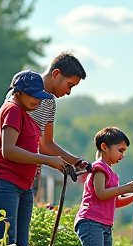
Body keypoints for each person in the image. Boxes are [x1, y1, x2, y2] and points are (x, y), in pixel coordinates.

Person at [0, 71, 71, 246]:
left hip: (23, 184)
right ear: (19, 92)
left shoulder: (25, 114)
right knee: (5, 242)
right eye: (33, 96)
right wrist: (46, 160)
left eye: (40, 97)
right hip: (5, 181)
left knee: (21, 245)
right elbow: (7, 150)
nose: (37, 101)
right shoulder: (12, 110)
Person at [28, 53, 92, 184]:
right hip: (11, 171)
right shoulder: (23, 91)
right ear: (56, 73)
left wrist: (76, 162)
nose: (69, 92)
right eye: (70, 85)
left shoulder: (50, 103)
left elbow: (46, 144)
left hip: (31, 173)